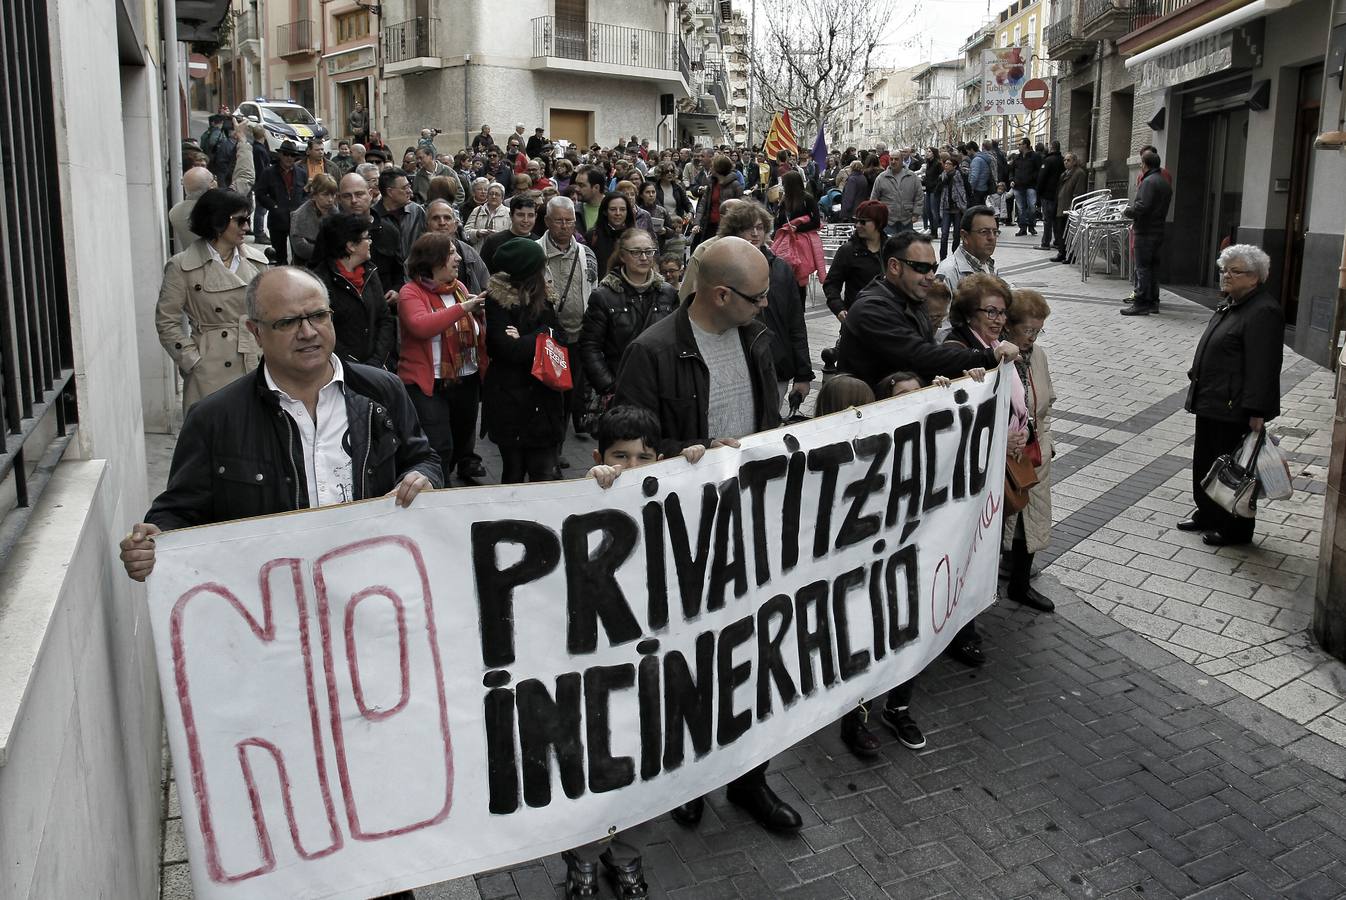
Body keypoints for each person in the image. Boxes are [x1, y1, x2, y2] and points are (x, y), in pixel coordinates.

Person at [614, 236, 801, 833]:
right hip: (683, 534)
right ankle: (687, 776)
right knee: (688, 659)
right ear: (720, 294)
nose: (766, 306)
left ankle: (751, 777)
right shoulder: (652, 350)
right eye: (756, 297)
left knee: (753, 652)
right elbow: (628, 443)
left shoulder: (756, 337)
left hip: (749, 523)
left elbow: (767, 420)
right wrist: (691, 455)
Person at [122, 266, 440, 595]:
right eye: (287, 322)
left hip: (373, 599)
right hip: (274, 613)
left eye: (318, 315)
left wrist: (422, 476)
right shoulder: (214, 419)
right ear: (255, 331)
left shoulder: (382, 392)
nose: (308, 332)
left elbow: (423, 458)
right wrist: (153, 541)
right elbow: (177, 512)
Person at [562, 404, 707, 900]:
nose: (629, 469)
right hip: (597, 667)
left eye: (643, 458)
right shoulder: (586, 496)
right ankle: (582, 857)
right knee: (595, 763)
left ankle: (626, 855)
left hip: (654, 663)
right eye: (618, 456)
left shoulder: (669, 492)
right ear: (600, 456)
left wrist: (695, 467)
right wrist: (589, 485)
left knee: (646, 764)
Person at [822, 372, 927, 757]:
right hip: (848, 573)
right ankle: (856, 719)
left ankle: (897, 706)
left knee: (902, 632)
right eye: (853, 410)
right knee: (860, 642)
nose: (861, 416)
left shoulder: (892, 440)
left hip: (891, 560)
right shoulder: (811, 454)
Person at [1180, 244, 1284, 546]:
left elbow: (1263, 366)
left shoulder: (1263, 311)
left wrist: (1257, 411)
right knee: (1206, 461)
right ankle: (1208, 514)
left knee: (1235, 470)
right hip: (1212, 398)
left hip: (1234, 406)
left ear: (1255, 277)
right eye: (1224, 269)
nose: (1226, 275)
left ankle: (1235, 529)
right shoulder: (1232, 303)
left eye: (1234, 271)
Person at [835, 230, 1018, 392]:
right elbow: (920, 356)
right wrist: (986, 357)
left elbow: (926, 358)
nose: (931, 276)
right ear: (894, 266)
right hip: (869, 416)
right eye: (922, 268)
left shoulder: (913, 300)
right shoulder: (872, 309)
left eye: (933, 267)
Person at [156, 189, 271, 409]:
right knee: (213, 436)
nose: (246, 227)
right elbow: (166, 320)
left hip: (255, 361)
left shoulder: (257, 262)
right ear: (217, 221)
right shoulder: (182, 266)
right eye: (240, 220)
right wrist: (191, 360)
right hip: (209, 368)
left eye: (248, 219)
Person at [398, 232, 489, 486]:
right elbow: (421, 326)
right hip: (430, 385)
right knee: (439, 447)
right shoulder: (410, 292)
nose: (458, 258)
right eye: (451, 253)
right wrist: (462, 309)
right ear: (433, 259)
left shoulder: (459, 288)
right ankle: (438, 496)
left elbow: (474, 332)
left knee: (461, 443)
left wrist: (478, 314)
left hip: (465, 381)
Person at [482, 238, 566, 482]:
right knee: (514, 475)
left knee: (545, 475)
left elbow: (559, 338)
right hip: (510, 403)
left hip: (544, 401)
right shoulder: (497, 301)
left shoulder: (547, 298)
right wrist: (542, 336)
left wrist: (533, 337)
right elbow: (507, 350)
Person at [720, 202, 813, 413]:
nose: (755, 234)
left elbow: (796, 323)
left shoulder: (781, 269)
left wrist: (803, 374)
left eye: (760, 228)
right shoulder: (722, 266)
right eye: (747, 228)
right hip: (736, 370)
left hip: (777, 364)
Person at [580, 226, 678, 408]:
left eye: (649, 252)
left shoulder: (668, 293)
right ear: (623, 256)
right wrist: (610, 387)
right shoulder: (603, 296)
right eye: (636, 252)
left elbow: (677, 341)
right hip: (620, 391)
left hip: (661, 389)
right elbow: (590, 347)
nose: (643, 257)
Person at [1004, 288, 1057, 611]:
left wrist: (1048, 444)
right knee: (1004, 518)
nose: (1032, 338)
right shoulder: (998, 356)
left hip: (1034, 452)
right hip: (1004, 453)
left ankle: (1020, 584)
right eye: (1028, 330)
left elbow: (1046, 403)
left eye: (1038, 331)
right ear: (1010, 325)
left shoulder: (1038, 356)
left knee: (1032, 517)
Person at [537, 196, 598, 438]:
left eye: (569, 221)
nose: (564, 226)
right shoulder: (535, 252)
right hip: (548, 336)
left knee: (574, 387)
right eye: (559, 221)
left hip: (579, 333)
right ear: (547, 222)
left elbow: (594, 289)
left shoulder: (586, 253)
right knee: (551, 392)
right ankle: (554, 440)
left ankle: (566, 430)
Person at [308, 211, 395, 369]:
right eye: (367, 237)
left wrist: (376, 361)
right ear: (351, 246)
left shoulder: (370, 272)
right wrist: (355, 367)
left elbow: (385, 319)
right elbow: (322, 331)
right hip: (340, 368)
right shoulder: (320, 282)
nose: (370, 242)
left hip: (376, 368)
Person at [1120, 150, 1173, 316]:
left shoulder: (1149, 182)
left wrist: (1127, 211)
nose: (1140, 166)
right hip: (1158, 230)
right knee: (1153, 268)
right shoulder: (1164, 182)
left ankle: (1141, 302)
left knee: (1142, 268)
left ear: (1145, 164)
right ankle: (1152, 302)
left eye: (1141, 164)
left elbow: (1142, 207)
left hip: (1145, 231)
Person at [823, 199, 886, 319]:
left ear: (879, 223)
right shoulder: (848, 251)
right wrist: (839, 308)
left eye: (863, 222)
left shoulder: (892, 249)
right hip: (858, 319)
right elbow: (831, 284)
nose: (858, 225)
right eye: (856, 221)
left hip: (887, 319)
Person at [773, 170, 825, 302]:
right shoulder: (784, 200)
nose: (782, 186)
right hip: (786, 241)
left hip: (801, 242)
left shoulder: (807, 199)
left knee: (799, 274)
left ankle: (799, 307)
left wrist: (798, 227)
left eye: (784, 184)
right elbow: (779, 222)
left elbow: (816, 222)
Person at [255, 140, 308, 265]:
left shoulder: (301, 173)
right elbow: (260, 193)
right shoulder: (269, 173)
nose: (289, 157)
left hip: (297, 221)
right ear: (280, 155)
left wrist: (302, 206)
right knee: (280, 257)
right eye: (286, 154)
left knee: (299, 256)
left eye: (292, 155)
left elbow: (307, 193)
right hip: (277, 221)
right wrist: (274, 206)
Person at [425, 199, 490, 294]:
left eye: (447, 218)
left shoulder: (468, 252)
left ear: (455, 225)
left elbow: (486, 286)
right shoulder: (418, 255)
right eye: (435, 218)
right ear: (427, 225)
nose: (442, 223)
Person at [936, 205, 1000, 293]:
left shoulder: (990, 266)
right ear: (965, 236)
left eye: (995, 232)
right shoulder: (948, 273)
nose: (991, 237)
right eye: (984, 232)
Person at [372, 169, 427, 262]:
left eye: (409, 186)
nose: (410, 191)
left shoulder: (416, 211)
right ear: (390, 192)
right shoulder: (373, 217)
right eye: (405, 188)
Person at [691, 154, 744, 250]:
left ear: (719, 168)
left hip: (726, 226)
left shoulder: (735, 185)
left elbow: (742, 207)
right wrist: (697, 223)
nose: (710, 168)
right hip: (710, 225)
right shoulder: (711, 183)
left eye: (712, 166)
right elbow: (702, 205)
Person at [288, 172, 338, 265]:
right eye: (325, 195)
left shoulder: (336, 214)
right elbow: (300, 248)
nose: (330, 199)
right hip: (305, 266)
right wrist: (327, 251)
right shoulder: (300, 215)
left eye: (333, 194)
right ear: (315, 195)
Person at [481, 193, 539, 272]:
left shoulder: (539, 243)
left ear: (536, 216)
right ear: (511, 215)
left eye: (530, 215)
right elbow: (483, 274)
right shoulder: (493, 241)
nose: (526, 220)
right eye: (520, 215)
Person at [587, 191, 636, 280]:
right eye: (613, 209)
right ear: (605, 212)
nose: (618, 213)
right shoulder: (593, 236)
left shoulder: (635, 237)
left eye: (622, 209)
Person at [871, 153, 922, 235]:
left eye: (896, 159)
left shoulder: (912, 176)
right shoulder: (881, 177)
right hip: (888, 220)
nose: (893, 161)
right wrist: (876, 216)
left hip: (907, 220)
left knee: (905, 246)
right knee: (890, 246)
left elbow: (919, 196)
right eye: (891, 159)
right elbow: (874, 198)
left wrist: (916, 214)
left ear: (902, 160)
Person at [169, 166, 217, 252]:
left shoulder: (174, 212)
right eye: (214, 179)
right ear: (211, 186)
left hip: (191, 261)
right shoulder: (217, 209)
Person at [1052, 152, 1089, 261]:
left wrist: (1073, 206)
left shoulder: (1079, 173)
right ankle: (1062, 253)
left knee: (1069, 232)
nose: (1066, 162)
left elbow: (1079, 192)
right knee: (1061, 232)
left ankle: (1071, 255)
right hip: (1061, 206)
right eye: (1065, 160)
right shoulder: (1064, 174)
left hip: (1069, 207)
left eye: (1069, 160)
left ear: (1074, 162)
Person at [936, 155, 969, 260]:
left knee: (956, 235)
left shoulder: (959, 176)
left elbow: (965, 190)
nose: (946, 166)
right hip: (946, 207)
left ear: (954, 166)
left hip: (957, 208)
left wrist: (964, 204)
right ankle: (942, 258)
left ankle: (955, 256)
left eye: (949, 164)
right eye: (945, 164)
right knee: (944, 234)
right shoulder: (942, 177)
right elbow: (937, 191)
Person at [1036, 141, 1064, 251]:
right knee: (1056, 219)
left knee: (1047, 219)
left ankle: (1045, 243)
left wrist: (1038, 193)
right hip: (1058, 194)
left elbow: (1041, 178)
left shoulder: (1048, 161)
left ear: (1051, 148)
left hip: (1047, 194)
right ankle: (1057, 241)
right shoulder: (1062, 160)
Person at [1010, 139, 1040, 236]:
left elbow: (1039, 170)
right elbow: (1011, 170)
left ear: (1025, 145)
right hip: (1018, 186)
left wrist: (1032, 179)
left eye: (1020, 144)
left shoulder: (1035, 157)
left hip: (1031, 185)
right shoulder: (1017, 158)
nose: (1018, 146)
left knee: (1031, 206)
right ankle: (1022, 228)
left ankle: (1031, 226)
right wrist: (1012, 180)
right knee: (1021, 208)